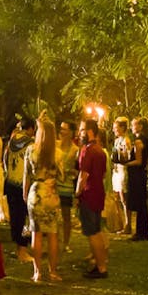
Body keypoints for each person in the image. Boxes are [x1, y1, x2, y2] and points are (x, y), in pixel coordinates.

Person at [24, 119, 61, 282]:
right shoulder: (57, 153)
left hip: (35, 192)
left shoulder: (31, 150)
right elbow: (62, 176)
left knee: (36, 234)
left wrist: (25, 195)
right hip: (51, 193)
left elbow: (26, 175)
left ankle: (37, 272)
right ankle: (53, 271)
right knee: (53, 233)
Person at [76, 119, 109, 278]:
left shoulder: (87, 150)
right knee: (97, 229)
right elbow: (102, 174)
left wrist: (76, 194)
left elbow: (83, 175)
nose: (79, 133)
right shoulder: (100, 150)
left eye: (81, 129)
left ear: (89, 131)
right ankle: (100, 262)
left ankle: (101, 267)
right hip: (98, 194)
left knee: (92, 232)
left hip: (88, 195)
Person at [2, 117, 35, 263]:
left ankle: (19, 247)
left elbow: (4, 158)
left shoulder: (12, 140)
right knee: (25, 219)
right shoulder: (31, 143)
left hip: (10, 183)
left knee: (15, 218)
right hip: (23, 185)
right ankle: (22, 249)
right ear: (31, 128)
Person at [124, 117, 148, 241]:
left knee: (140, 204)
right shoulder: (145, 140)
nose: (131, 127)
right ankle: (143, 231)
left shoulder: (139, 141)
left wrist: (125, 163)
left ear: (140, 126)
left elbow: (138, 160)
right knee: (142, 204)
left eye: (133, 124)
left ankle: (141, 233)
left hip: (137, 175)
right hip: (141, 174)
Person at [56, 120, 80, 252]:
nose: (61, 131)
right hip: (53, 185)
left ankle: (66, 243)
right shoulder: (55, 145)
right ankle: (54, 240)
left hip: (66, 187)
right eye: (61, 128)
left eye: (64, 129)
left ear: (71, 132)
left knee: (66, 215)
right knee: (52, 215)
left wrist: (70, 172)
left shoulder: (76, 150)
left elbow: (78, 171)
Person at [111, 116, 132, 234]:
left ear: (122, 128)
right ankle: (119, 223)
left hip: (123, 169)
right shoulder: (116, 140)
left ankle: (128, 224)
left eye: (116, 127)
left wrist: (121, 154)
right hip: (116, 170)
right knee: (116, 198)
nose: (114, 130)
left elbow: (127, 156)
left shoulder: (126, 140)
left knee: (124, 198)